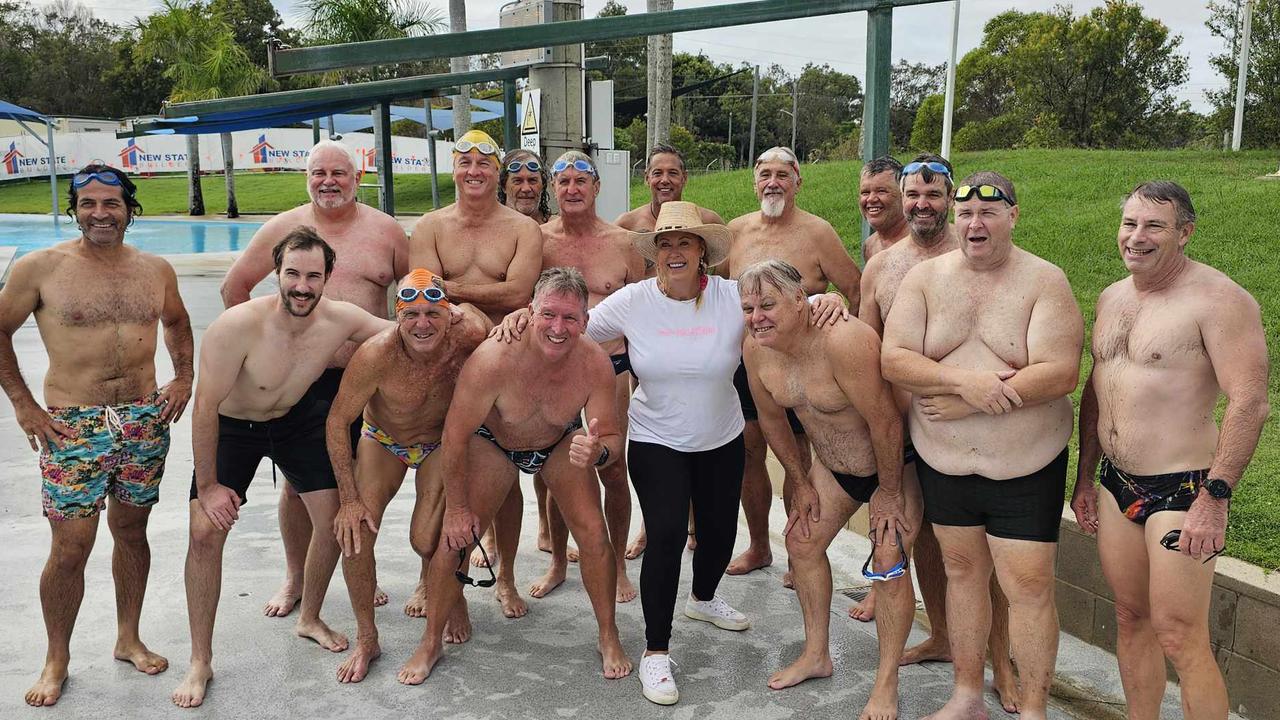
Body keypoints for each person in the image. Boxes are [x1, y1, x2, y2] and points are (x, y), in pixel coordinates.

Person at [549, 202, 844, 704]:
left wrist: (831, 301)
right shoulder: (633, 300)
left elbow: (791, 305)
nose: (674, 252)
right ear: (655, 254)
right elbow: (568, 330)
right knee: (664, 535)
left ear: (703, 252)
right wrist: (520, 323)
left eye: (685, 242)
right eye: (665, 244)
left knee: (718, 534)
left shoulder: (734, 296)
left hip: (722, 437)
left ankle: (704, 599)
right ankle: (656, 653)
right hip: (654, 438)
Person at [882, 171, 1083, 720]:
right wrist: (962, 382)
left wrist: (971, 400)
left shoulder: (1044, 281)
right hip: (945, 464)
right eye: (966, 213)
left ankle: (1035, 707)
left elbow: (1061, 371)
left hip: (1024, 467)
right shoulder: (925, 280)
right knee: (962, 576)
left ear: (1013, 216)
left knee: (1028, 588)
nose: (975, 224)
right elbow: (894, 357)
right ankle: (967, 695)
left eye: (988, 213)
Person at [1071, 181, 1269, 720]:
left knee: (1181, 636)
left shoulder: (1220, 301)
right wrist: (1085, 476)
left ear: (1185, 233)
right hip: (1116, 482)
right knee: (1131, 617)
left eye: (1154, 226)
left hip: (1184, 489)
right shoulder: (1113, 296)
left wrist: (1215, 497)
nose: (1136, 237)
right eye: (1130, 223)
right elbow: (1099, 386)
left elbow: (1250, 403)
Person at [171, 228, 392, 708]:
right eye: (293, 273)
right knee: (204, 532)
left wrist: (471, 320)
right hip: (233, 426)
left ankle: (309, 616)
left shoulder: (341, 319)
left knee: (337, 522)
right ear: (277, 273)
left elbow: (410, 330)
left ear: (328, 278)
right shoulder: (236, 326)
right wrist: (207, 487)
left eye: (313, 276)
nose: (302, 285)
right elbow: (205, 408)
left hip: (295, 422)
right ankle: (200, 659)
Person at [0, 164, 193, 707]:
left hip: (141, 421)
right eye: (89, 204)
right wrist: (24, 405)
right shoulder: (41, 268)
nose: (100, 214)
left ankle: (128, 637)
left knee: (133, 532)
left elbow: (177, 322)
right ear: (75, 209)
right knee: (70, 548)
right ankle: (56, 658)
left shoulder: (155, 269)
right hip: (72, 425)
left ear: (131, 209)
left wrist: (183, 377)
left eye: (111, 204)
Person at [396, 267, 631, 685]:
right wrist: (458, 508)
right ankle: (430, 641)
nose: (558, 328)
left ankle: (608, 633)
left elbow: (610, 437)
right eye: (549, 315)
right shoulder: (494, 358)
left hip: (559, 442)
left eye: (570, 318)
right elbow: (454, 437)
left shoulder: (594, 362)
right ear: (530, 311)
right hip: (494, 442)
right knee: (456, 538)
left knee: (594, 535)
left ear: (586, 321)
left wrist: (598, 452)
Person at [221, 139, 408, 618]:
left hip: (365, 379)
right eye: (318, 172)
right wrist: (256, 352)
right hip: (302, 382)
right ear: (307, 178)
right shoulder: (283, 228)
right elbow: (234, 286)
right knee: (298, 486)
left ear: (357, 178)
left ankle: (361, 569)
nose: (329, 181)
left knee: (362, 482)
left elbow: (411, 299)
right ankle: (296, 577)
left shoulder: (386, 231)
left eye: (339, 173)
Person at [857, 155, 1017, 709]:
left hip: (964, 436)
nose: (921, 204)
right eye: (913, 194)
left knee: (978, 558)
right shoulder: (879, 264)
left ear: (949, 198)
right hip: (900, 436)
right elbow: (867, 352)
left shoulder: (975, 257)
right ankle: (935, 642)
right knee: (910, 542)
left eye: (932, 194)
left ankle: (1002, 665)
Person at [739, 259, 920, 720]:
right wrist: (799, 481)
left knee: (889, 562)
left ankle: (886, 683)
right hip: (833, 468)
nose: (757, 316)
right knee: (801, 542)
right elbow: (773, 421)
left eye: (768, 305)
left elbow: (884, 420)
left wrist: (890, 492)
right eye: (748, 307)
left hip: (894, 465)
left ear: (801, 300)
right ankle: (816, 653)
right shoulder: (756, 351)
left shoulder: (843, 341)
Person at [326, 269, 491, 684]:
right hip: (384, 439)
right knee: (356, 532)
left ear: (449, 313)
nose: (422, 324)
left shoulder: (468, 331)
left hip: (440, 443)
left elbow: (501, 340)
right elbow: (337, 420)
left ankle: (450, 596)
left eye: (433, 313)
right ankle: (368, 639)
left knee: (427, 539)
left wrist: (515, 321)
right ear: (396, 317)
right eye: (411, 314)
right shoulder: (376, 355)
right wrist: (348, 499)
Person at [409, 128, 543, 618]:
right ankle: (433, 579)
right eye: (464, 163)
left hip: (505, 368)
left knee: (506, 481)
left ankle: (505, 577)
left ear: (496, 173)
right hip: (443, 369)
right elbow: (424, 295)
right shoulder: (430, 227)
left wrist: (455, 291)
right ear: (455, 171)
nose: (473, 172)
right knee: (438, 479)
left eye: (483, 164)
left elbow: (519, 291)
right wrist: (460, 297)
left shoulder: (521, 230)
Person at [725, 146, 862, 580]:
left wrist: (838, 312)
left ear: (798, 181)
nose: (773, 182)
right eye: (765, 174)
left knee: (798, 460)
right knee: (749, 453)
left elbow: (856, 288)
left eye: (783, 175)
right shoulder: (736, 231)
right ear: (754, 181)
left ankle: (796, 552)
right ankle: (760, 545)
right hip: (750, 363)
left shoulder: (818, 233)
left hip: (804, 366)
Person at [530, 150, 645, 603]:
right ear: (552, 190)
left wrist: (642, 375)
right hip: (553, 371)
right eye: (564, 182)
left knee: (613, 470)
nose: (573, 189)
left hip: (611, 369)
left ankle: (616, 566)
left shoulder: (623, 243)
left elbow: (641, 308)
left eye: (582, 180)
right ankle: (559, 560)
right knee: (558, 471)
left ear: (597, 188)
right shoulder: (537, 241)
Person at [613, 142, 722, 559]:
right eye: (657, 173)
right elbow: (622, 284)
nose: (664, 180)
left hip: (698, 343)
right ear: (646, 179)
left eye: (672, 173)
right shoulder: (627, 225)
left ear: (685, 178)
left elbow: (722, 284)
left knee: (697, 433)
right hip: (648, 348)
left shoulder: (706, 222)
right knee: (658, 439)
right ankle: (653, 524)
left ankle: (693, 524)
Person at [858, 155, 910, 262]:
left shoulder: (925, 241)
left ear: (903, 194)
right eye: (865, 193)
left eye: (881, 191)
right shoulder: (870, 246)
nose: (871, 199)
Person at [498, 148, 552, 224]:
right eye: (517, 181)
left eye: (532, 180)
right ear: (503, 186)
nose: (526, 189)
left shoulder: (556, 229)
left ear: (543, 185)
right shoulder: (488, 228)